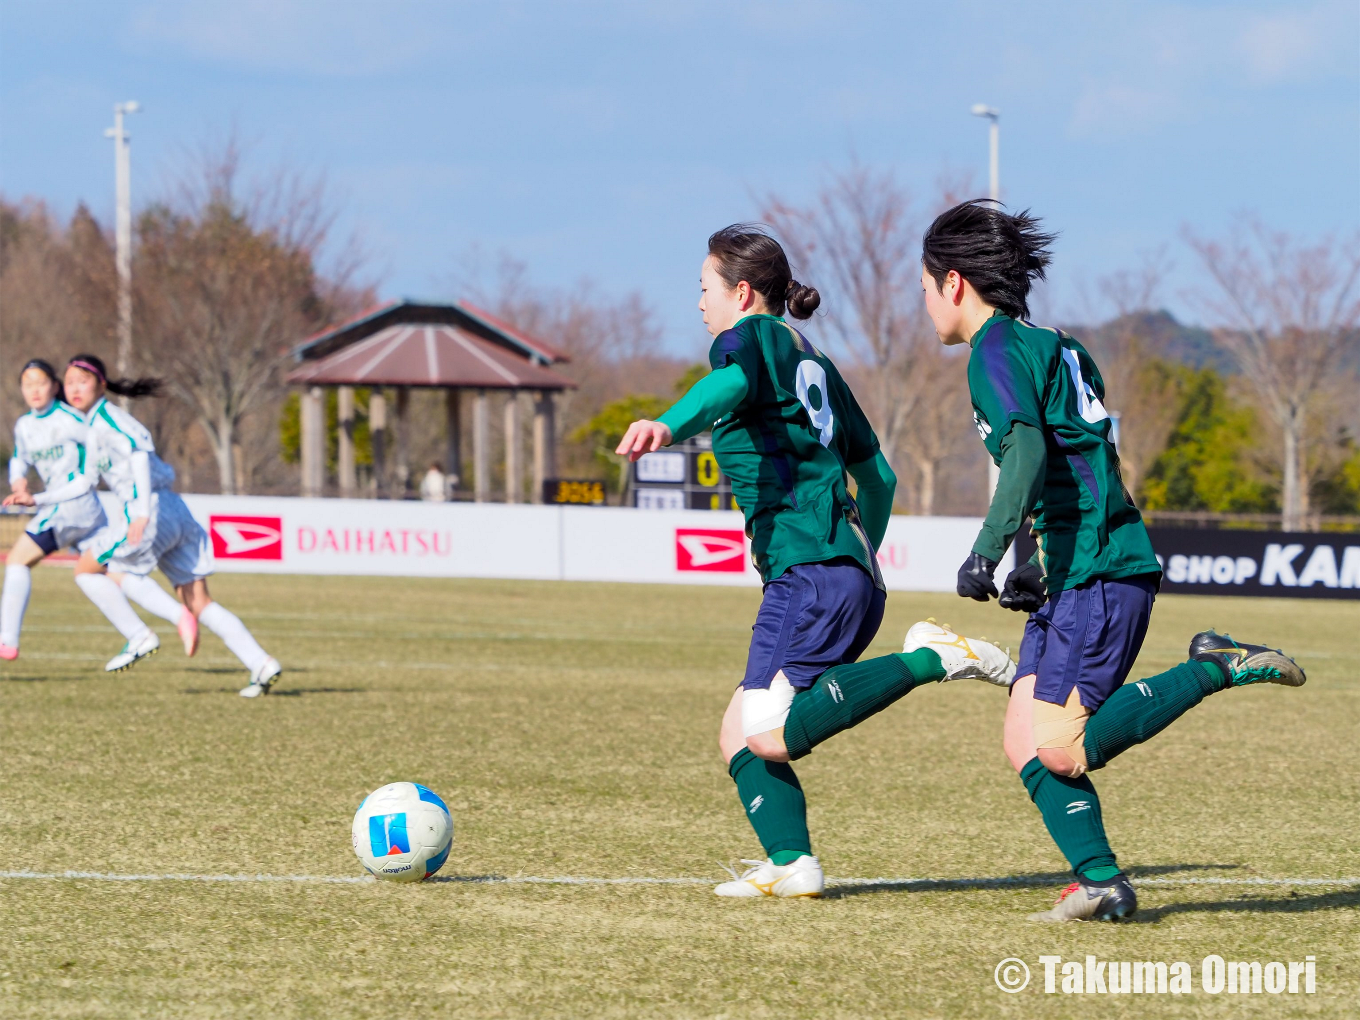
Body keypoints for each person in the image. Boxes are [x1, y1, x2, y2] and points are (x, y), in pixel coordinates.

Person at [920, 199, 1306, 921]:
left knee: (1060, 751)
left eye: (922, 288)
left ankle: (1213, 666)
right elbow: (1080, 456)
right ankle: (1101, 882)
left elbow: (1030, 452)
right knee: (1022, 741)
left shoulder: (995, 352)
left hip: (1098, 569)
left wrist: (989, 549)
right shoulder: (1061, 345)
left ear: (952, 282)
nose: (925, 305)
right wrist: (1035, 557)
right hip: (1072, 567)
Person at [616, 225, 1016, 898]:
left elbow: (727, 387)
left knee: (762, 731)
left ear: (742, 293)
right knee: (739, 733)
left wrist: (668, 424)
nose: (699, 304)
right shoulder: (814, 362)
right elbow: (880, 478)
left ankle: (933, 658)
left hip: (809, 574)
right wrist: (859, 561)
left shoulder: (748, 341)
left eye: (704, 289)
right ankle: (792, 864)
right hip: (842, 573)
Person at [9, 354, 283, 697]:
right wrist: (39, 499)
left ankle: (140, 635)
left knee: (87, 569)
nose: (75, 388)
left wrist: (140, 513)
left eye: (83, 380)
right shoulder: (92, 427)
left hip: (149, 507)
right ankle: (260, 662)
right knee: (198, 600)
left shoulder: (109, 418)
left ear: (101, 384)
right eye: (70, 382)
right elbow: (85, 482)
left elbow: (139, 454)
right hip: (173, 510)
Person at [0, 360, 108, 660]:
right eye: (27, 383)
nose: (34, 389)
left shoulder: (72, 419)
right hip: (75, 508)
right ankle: (177, 617)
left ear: (54, 386)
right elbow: (19, 459)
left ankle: (6, 639)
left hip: (70, 505)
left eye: (40, 382)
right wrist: (19, 483)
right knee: (111, 573)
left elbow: (101, 447)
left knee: (18, 559)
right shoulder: (24, 425)